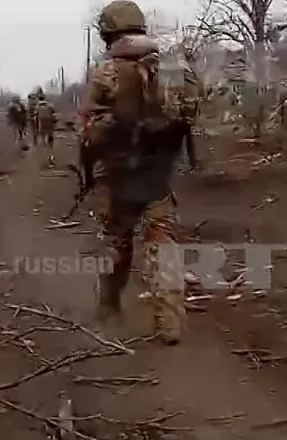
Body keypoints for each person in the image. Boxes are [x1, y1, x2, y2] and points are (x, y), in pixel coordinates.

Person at [79, 0, 200, 344]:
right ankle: (170, 324)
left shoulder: (105, 73)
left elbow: (88, 130)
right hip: (157, 175)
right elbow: (190, 115)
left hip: (118, 177)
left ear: (109, 31)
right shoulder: (174, 69)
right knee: (163, 242)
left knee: (117, 241)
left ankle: (108, 306)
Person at [36, 97, 58, 165]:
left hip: (42, 125)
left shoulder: (38, 107)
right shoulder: (50, 105)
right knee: (50, 139)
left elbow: (36, 117)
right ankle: (51, 155)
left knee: (44, 140)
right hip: (50, 124)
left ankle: (48, 155)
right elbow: (55, 115)